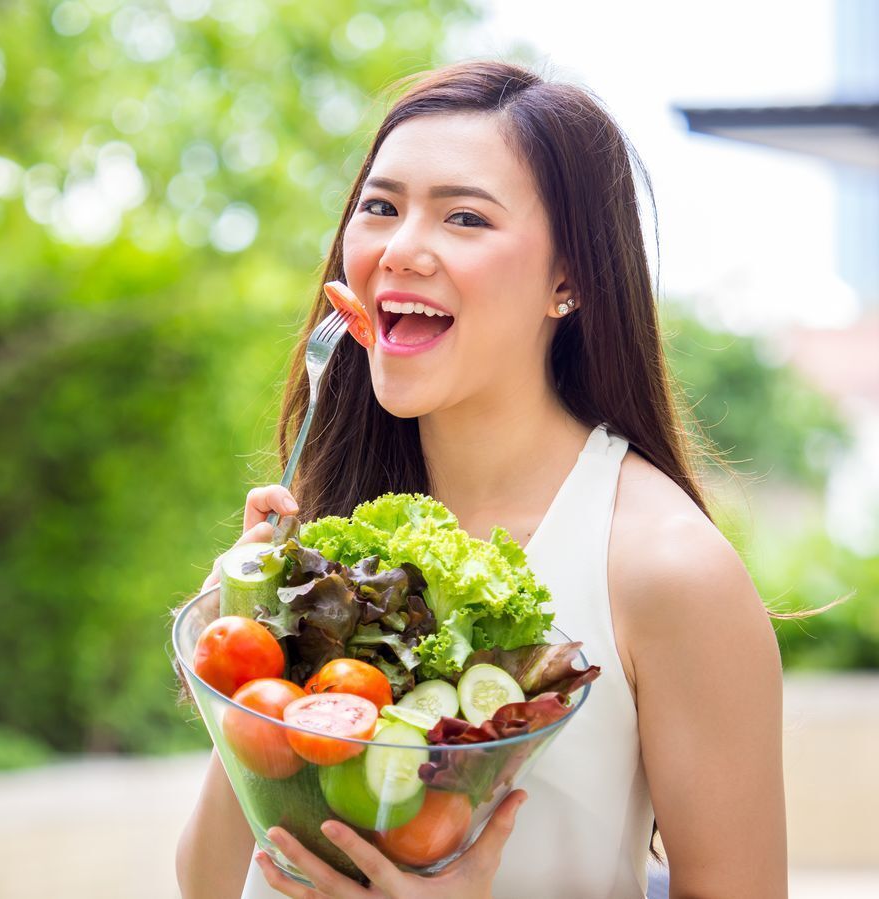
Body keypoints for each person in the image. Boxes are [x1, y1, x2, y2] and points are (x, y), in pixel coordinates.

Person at [176, 59, 788, 898]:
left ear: (567, 279)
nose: (399, 249)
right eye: (380, 207)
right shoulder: (332, 544)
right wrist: (243, 664)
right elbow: (211, 883)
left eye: (465, 217)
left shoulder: (665, 566)